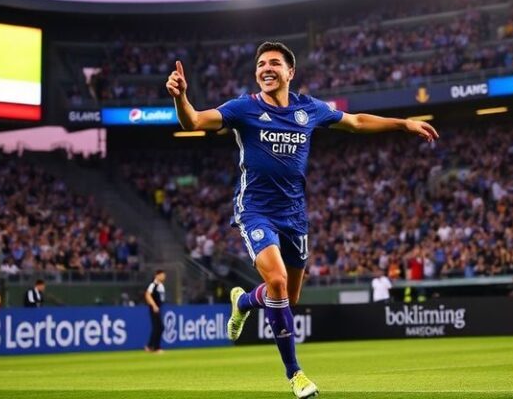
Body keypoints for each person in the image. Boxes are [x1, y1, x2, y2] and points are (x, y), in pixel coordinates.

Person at [166, 42, 438, 398]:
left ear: (290, 72)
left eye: (274, 63)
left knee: (288, 298)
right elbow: (195, 121)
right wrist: (180, 98)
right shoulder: (243, 108)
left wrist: (404, 124)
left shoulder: (309, 109)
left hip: (294, 216)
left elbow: (355, 122)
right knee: (277, 280)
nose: (266, 68)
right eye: (261, 63)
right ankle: (295, 374)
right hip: (255, 210)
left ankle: (244, 302)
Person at [144, 269, 166, 353]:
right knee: (159, 327)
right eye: (162, 275)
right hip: (154, 308)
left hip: (159, 308)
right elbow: (147, 295)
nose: (164, 277)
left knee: (158, 327)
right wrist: (154, 305)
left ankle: (150, 346)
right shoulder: (153, 285)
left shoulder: (161, 285)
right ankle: (156, 347)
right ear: (157, 275)